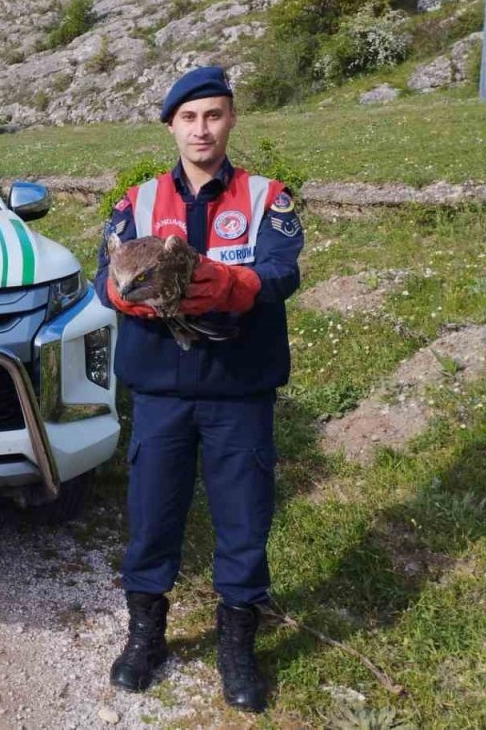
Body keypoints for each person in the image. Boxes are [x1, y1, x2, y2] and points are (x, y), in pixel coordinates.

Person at [94, 66, 303, 713]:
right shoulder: (137, 199)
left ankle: (236, 645)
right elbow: (107, 266)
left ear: (231, 118)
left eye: (213, 114)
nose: (202, 128)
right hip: (161, 388)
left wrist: (237, 287)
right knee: (153, 512)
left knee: (243, 518)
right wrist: (118, 296)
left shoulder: (270, 195)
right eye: (189, 117)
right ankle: (145, 634)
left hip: (239, 386)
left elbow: (281, 270)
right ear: (171, 126)